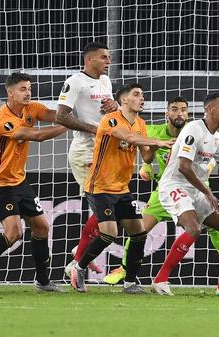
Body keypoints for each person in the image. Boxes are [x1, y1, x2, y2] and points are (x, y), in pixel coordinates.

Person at [103, 97, 219, 285]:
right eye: (174, 109)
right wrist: (146, 165)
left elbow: (213, 156)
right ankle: (126, 268)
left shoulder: (205, 133)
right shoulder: (157, 131)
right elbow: (141, 147)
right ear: (167, 113)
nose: (179, 113)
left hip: (196, 187)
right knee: (139, 231)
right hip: (168, 187)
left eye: (183, 110)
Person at [0, 72, 67, 292]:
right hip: (0, 182)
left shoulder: (31, 108)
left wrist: (76, 111)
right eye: (22, 89)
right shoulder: (2, 119)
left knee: (42, 227)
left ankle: (42, 281)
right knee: (14, 233)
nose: (28, 92)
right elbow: (35, 136)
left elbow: (54, 114)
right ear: (9, 93)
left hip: (19, 181)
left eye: (29, 88)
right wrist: (71, 126)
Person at [69, 83, 172, 293]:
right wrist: (157, 141)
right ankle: (78, 268)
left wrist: (153, 147)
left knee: (139, 232)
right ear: (124, 100)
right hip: (99, 187)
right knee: (109, 234)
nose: (141, 98)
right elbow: (128, 137)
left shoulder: (141, 124)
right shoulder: (111, 119)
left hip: (122, 189)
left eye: (142, 95)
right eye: (136, 94)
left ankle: (130, 282)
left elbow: (146, 156)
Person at [151, 93, 219, 297]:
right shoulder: (193, 130)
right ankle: (160, 280)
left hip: (195, 189)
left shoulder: (216, 137)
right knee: (193, 229)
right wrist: (208, 192)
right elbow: (184, 167)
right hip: (174, 185)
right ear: (209, 109)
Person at [57, 42, 118, 277]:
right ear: (89, 59)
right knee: (108, 206)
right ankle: (77, 262)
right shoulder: (75, 82)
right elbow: (62, 116)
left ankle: (78, 254)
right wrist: (94, 130)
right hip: (84, 153)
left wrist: (114, 106)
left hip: (104, 152)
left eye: (109, 57)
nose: (108, 62)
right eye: (104, 57)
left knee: (108, 207)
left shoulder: (105, 82)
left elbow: (109, 114)